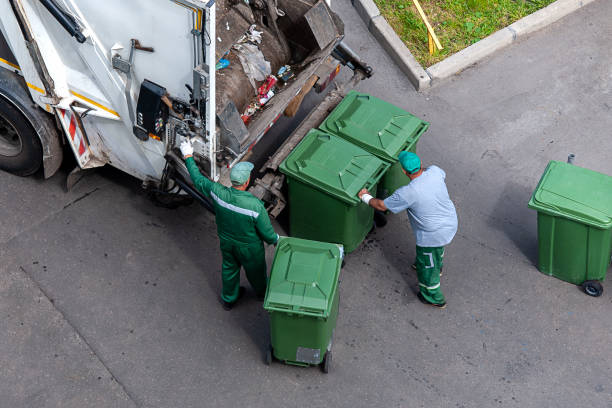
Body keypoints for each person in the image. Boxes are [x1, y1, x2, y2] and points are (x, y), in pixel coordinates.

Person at [180, 139, 279, 310]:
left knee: (229, 269)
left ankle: (229, 298)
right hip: (250, 248)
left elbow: (197, 179)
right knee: (256, 272)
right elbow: (268, 234)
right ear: (247, 182)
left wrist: (188, 155)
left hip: (227, 242)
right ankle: (262, 293)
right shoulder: (255, 206)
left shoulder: (218, 193)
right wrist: (277, 240)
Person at [358, 152, 457, 309]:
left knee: (428, 266)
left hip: (433, 234)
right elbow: (434, 174)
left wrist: (365, 196)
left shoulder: (408, 192)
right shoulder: (435, 171)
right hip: (449, 222)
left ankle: (433, 296)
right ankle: (436, 267)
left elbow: (381, 206)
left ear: (404, 171)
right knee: (437, 250)